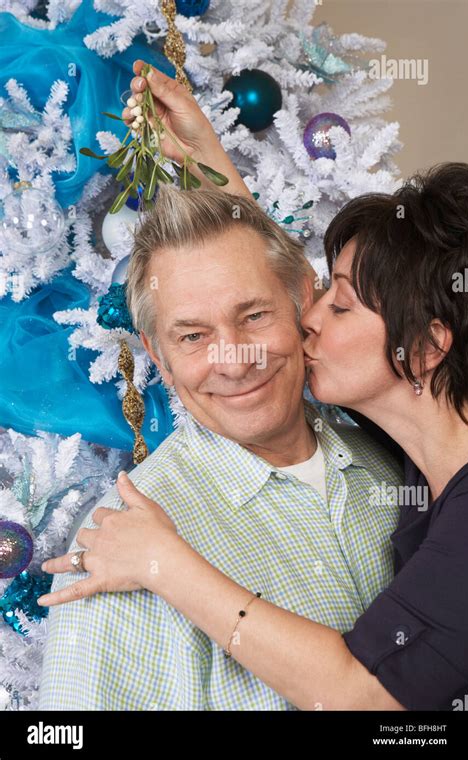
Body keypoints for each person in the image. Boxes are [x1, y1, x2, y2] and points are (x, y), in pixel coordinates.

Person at [38, 64, 468, 711]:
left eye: (339, 303)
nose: (309, 319)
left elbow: (363, 694)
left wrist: (166, 564)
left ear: (429, 347)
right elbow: (256, 282)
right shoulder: (418, 439)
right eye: (191, 337)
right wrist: (211, 163)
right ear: (157, 352)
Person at [37, 183, 402, 711]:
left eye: (254, 316)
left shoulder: (395, 454)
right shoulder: (115, 550)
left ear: (304, 300)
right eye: (192, 337)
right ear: (158, 358)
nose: (234, 361)